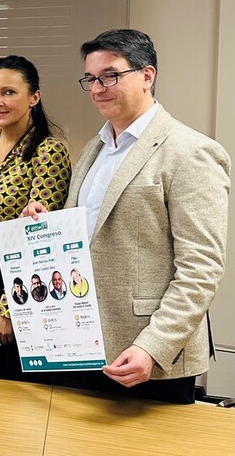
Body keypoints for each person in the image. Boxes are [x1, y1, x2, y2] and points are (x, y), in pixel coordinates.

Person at [24, 29, 229, 404]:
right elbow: (93, 234)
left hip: (145, 351)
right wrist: (48, 224)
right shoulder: (93, 149)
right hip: (84, 340)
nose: (98, 87)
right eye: (91, 78)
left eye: (111, 75)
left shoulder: (191, 152)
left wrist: (153, 347)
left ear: (147, 75)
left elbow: (201, 268)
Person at [0, 55, 71, 379]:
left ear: (34, 97)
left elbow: (41, 240)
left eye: (9, 92)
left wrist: (9, 307)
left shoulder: (48, 151)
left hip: (17, 272)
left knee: (15, 373)